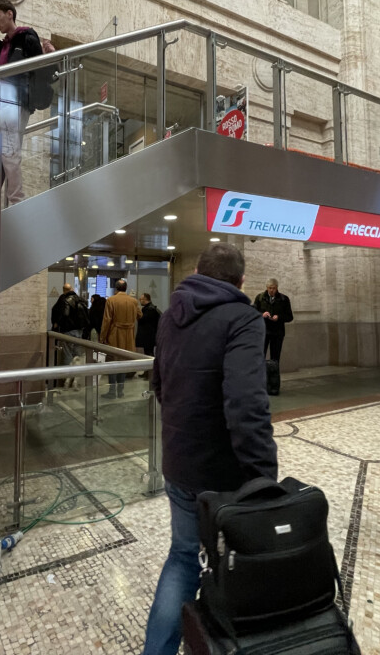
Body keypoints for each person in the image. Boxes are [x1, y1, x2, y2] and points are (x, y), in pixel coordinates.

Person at [141, 244, 278, 655]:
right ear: (241, 282)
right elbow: (246, 403)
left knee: (183, 556)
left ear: (198, 270)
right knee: (237, 562)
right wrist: (263, 476)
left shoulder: (170, 316)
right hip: (225, 471)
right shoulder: (243, 318)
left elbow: (159, 383)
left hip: (179, 461)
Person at [0, 0, 53, 205]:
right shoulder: (2, 45)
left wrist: (51, 55)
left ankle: (16, 200)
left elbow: (40, 70)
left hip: (17, 101)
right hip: (0, 103)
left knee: (9, 151)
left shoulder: (27, 37)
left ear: (9, 14)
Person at [99, 279, 141, 398]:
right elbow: (140, 315)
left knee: (113, 362)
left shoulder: (111, 300)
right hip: (129, 335)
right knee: (123, 363)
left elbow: (107, 320)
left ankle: (112, 391)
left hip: (115, 334)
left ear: (116, 288)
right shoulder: (133, 301)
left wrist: (102, 337)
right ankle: (121, 391)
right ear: (126, 288)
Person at [252, 278, 293, 362]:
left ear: (277, 287)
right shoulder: (260, 298)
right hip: (263, 332)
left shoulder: (284, 299)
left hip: (277, 333)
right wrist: (261, 315)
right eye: (270, 288)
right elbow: (253, 313)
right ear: (267, 287)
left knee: (275, 359)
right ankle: (262, 375)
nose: (271, 290)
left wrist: (279, 317)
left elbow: (290, 317)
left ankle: (274, 375)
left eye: (273, 288)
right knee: (260, 357)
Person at [51, 283, 89, 360]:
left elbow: (65, 314)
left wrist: (57, 323)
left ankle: (68, 370)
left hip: (68, 330)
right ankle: (78, 370)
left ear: (64, 290)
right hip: (79, 330)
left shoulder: (65, 300)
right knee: (78, 353)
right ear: (72, 289)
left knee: (67, 353)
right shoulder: (81, 300)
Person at [135, 293, 160, 378]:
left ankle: (151, 373)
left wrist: (137, 312)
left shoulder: (150, 309)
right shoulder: (149, 308)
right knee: (148, 353)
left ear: (146, 299)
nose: (140, 300)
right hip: (149, 336)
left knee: (149, 354)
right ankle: (148, 372)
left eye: (141, 299)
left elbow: (142, 320)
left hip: (149, 336)